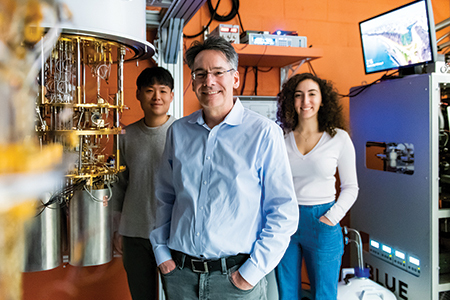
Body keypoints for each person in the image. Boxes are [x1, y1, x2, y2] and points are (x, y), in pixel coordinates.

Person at [149, 35, 299, 300]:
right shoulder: (178, 132)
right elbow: (165, 197)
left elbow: (283, 211)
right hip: (180, 276)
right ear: (193, 81)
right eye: (200, 74)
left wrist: (250, 273)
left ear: (235, 79)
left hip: (235, 279)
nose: (209, 81)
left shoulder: (264, 133)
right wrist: (161, 252)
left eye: (218, 72)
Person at [274, 73, 359, 300]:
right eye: (299, 95)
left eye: (312, 94)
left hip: (323, 219)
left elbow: (351, 187)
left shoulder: (338, 138)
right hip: (286, 221)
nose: (305, 102)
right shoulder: (281, 138)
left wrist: (331, 218)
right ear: (291, 101)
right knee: (286, 294)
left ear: (322, 100)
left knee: (324, 295)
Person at [112, 66, 176, 300]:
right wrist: (117, 227)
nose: (156, 97)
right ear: (138, 94)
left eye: (163, 91)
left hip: (173, 233)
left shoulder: (182, 133)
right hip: (134, 233)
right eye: (149, 90)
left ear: (172, 96)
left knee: (177, 295)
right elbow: (119, 184)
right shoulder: (125, 136)